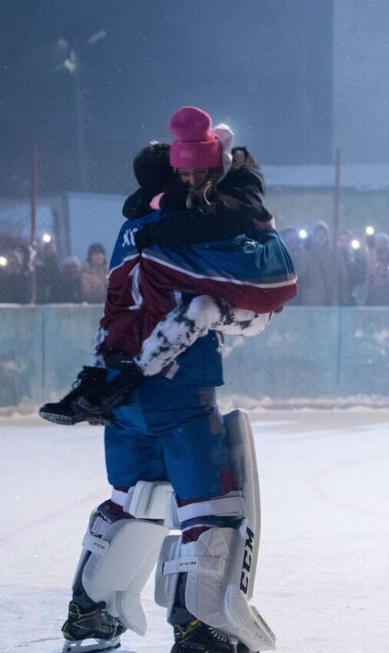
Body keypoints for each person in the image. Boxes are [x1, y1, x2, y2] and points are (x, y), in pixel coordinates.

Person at [47, 111, 294, 653]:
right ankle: (202, 634)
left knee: (130, 498)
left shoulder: (133, 224)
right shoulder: (191, 230)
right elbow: (274, 277)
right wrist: (254, 215)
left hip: (119, 382)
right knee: (211, 506)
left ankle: (91, 616)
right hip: (176, 383)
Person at [47, 108, 294, 420]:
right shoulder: (181, 195)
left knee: (200, 308)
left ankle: (130, 378)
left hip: (257, 302)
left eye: (196, 174)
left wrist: (161, 222)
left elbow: (224, 212)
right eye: (182, 176)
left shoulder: (239, 184)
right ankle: (97, 377)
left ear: (213, 168)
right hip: (228, 285)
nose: (189, 181)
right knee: (127, 298)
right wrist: (154, 203)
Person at [363, 231, 389, 306]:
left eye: (385, 244)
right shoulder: (371, 261)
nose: (382, 247)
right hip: (373, 302)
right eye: (379, 244)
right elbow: (371, 269)